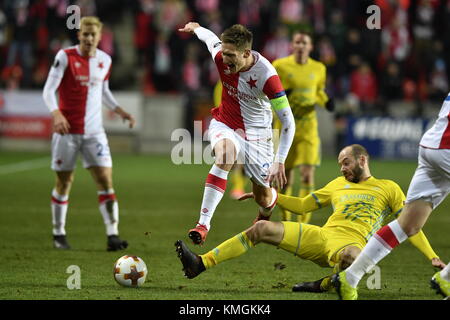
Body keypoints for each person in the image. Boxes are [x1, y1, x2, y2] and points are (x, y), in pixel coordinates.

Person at [175, 144, 444, 292]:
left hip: (353, 243)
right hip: (322, 236)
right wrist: (273, 197)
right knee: (261, 229)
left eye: (346, 162)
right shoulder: (337, 184)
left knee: (353, 258)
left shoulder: (389, 188)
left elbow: (409, 226)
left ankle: (326, 284)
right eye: (340, 163)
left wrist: (431, 255)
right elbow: (304, 205)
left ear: (362, 160)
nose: (342, 168)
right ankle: (201, 263)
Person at [178, 22, 295, 245]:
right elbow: (209, 38)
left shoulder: (267, 76)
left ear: (247, 53)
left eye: (231, 55)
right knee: (225, 156)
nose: (225, 60)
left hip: (258, 137)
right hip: (225, 124)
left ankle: (265, 213)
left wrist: (279, 161)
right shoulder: (221, 56)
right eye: (224, 53)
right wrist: (196, 28)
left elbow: (288, 121)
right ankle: (203, 225)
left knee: (264, 196)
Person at [332, 94, 450, 300]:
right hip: (447, 148)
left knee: (408, 223)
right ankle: (447, 278)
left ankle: (350, 277)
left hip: (432, 146)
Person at [42, 16, 135, 251]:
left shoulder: (105, 60)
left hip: (94, 133)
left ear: (100, 36)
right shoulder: (65, 57)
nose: (89, 38)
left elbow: (103, 91)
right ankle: (58, 233)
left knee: (105, 180)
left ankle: (113, 235)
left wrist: (120, 110)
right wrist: (56, 114)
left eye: (93, 35)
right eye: (85, 34)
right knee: (64, 182)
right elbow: (48, 91)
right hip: (67, 132)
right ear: (79, 34)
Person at [272, 31, 334, 223]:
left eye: (304, 43)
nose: (300, 46)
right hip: (285, 127)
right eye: (297, 42)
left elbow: (318, 92)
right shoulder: (280, 66)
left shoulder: (319, 68)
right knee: (285, 178)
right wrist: (282, 95)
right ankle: (285, 219)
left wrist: (326, 102)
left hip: (308, 128)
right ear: (292, 45)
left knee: (307, 175)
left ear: (310, 47)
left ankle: (302, 224)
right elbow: (269, 92)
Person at [213, 81, 248, 200]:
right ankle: (238, 187)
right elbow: (219, 104)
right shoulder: (223, 83)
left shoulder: (247, 81)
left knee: (243, 160)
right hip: (230, 124)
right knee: (236, 159)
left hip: (247, 125)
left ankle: (239, 187)